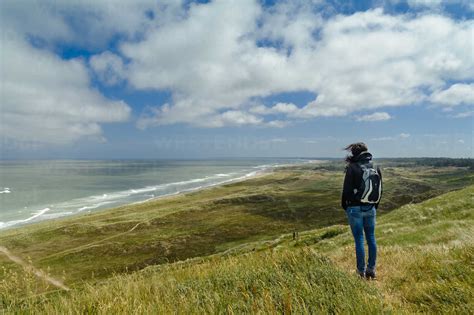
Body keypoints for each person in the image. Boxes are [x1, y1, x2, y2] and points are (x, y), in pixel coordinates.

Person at [341, 142, 382, 279]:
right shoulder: (375, 167)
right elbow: (379, 189)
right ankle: (371, 270)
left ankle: (361, 272)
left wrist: (346, 206)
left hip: (355, 208)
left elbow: (346, 191)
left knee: (359, 239)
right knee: (371, 238)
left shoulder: (352, 167)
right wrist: (374, 206)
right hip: (371, 207)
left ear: (354, 153)